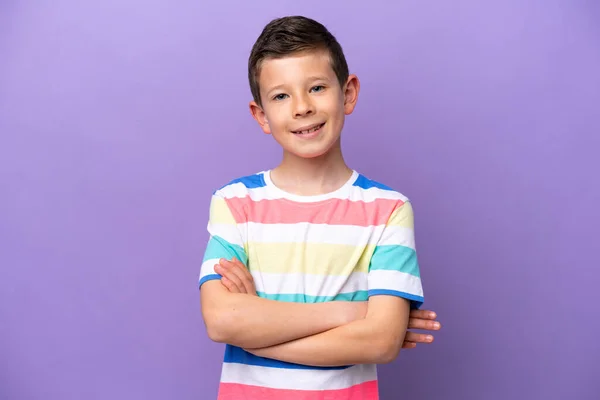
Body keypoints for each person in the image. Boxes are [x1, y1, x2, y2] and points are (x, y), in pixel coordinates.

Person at [198, 15, 441, 400]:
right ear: (261, 115)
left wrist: (259, 335)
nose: (302, 108)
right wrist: (351, 313)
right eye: (280, 96)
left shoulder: (388, 209)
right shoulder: (234, 202)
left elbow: (380, 341)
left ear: (348, 93)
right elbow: (222, 320)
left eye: (316, 88)